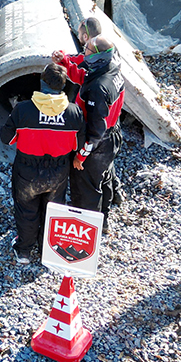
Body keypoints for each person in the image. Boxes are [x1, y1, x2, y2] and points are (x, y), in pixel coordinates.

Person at [0, 64, 84, 265]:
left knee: (27, 210)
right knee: (53, 210)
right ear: (63, 86)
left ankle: (24, 252)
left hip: (28, 169)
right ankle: (48, 251)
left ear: (42, 83)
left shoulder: (23, 109)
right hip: (58, 169)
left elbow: (6, 138)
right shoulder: (74, 112)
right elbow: (79, 144)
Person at [65, 35, 125, 229]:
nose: (84, 51)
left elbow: (96, 130)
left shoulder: (99, 89)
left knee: (86, 188)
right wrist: (66, 63)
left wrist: (81, 155)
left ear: (98, 56)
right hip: (113, 135)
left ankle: (86, 229)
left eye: (88, 50)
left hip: (98, 142)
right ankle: (103, 220)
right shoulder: (111, 67)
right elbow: (85, 78)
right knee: (104, 176)